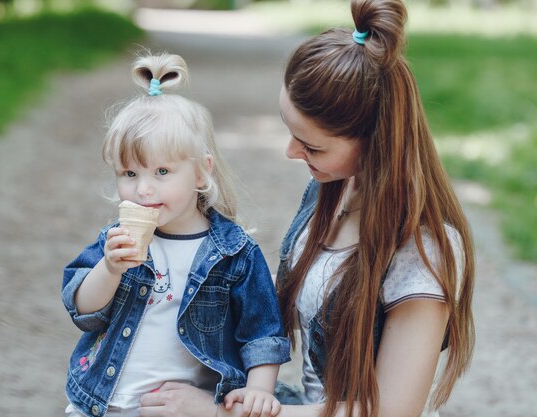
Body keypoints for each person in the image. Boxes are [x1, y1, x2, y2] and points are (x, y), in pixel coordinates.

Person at [138, 0, 475, 416]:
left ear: (375, 141)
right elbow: (279, 308)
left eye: (312, 146)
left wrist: (219, 413)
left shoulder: (425, 249)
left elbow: (391, 412)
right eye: (289, 129)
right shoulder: (331, 191)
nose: (291, 152)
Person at [61, 52, 290, 417]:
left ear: (201, 173)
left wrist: (258, 391)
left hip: (179, 410)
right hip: (100, 403)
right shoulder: (116, 240)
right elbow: (82, 309)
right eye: (129, 174)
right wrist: (109, 269)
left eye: (162, 172)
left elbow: (262, 332)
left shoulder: (234, 253)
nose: (143, 190)